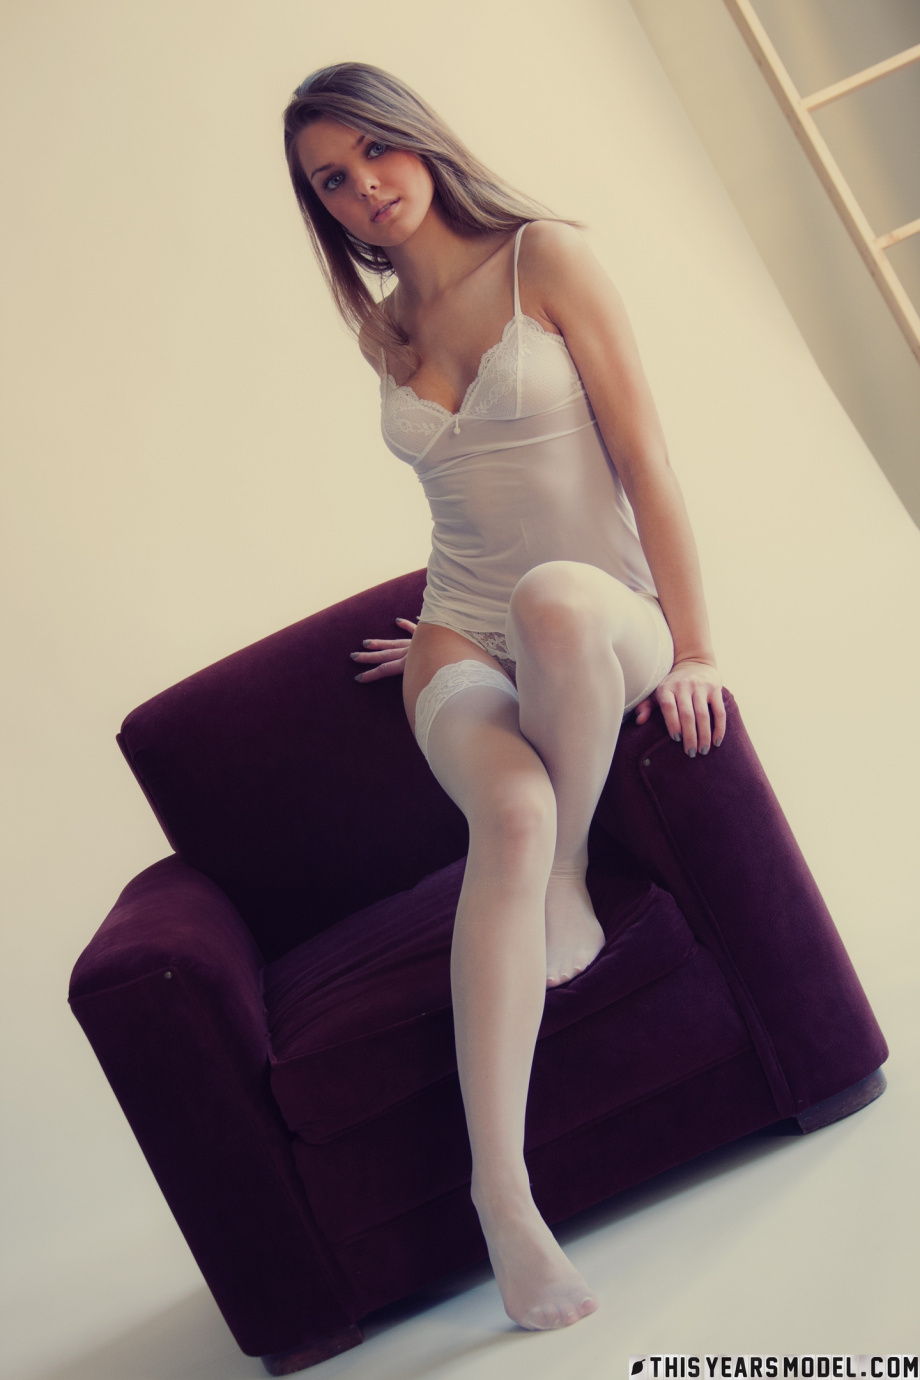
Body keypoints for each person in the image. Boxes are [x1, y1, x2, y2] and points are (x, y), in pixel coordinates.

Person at [282, 61, 726, 1334]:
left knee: (554, 605)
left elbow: (644, 458)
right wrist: (432, 634)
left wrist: (697, 649)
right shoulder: (383, 330)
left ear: (415, 140)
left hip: (597, 613)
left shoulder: (546, 258)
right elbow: (463, 497)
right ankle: (504, 1199)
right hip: (456, 630)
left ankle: (568, 872)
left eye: (373, 152)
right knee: (508, 814)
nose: (364, 187)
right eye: (331, 181)